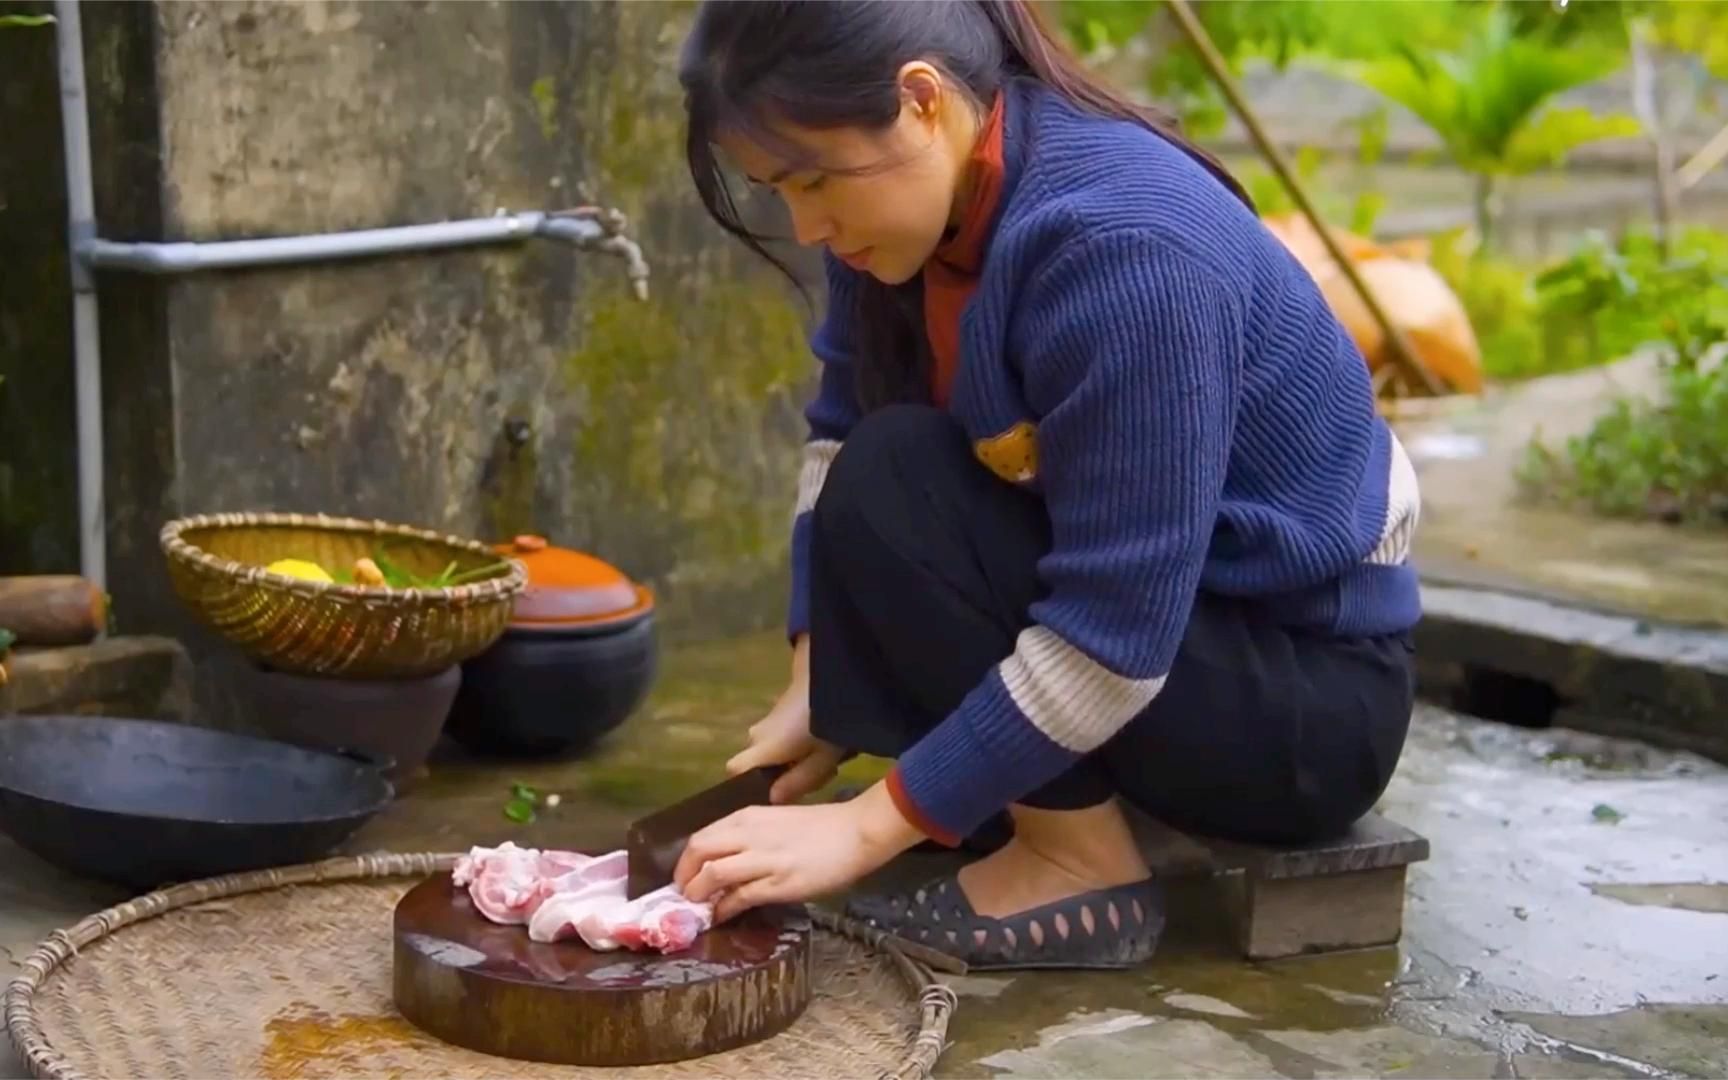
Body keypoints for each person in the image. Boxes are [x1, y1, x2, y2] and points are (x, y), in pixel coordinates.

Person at [670, 0, 1419, 971]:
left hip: (1299, 703)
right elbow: (841, 429)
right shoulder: (899, 211)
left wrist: (864, 828)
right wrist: (816, 677)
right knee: (883, 469)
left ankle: (1077, 864)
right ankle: (1038, 806)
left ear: (920, 101)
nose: (807, 225)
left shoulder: (1125, 250)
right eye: (778, 190)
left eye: (813, 180)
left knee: (900, 481)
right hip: (1171, 647)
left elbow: (1116, 637)